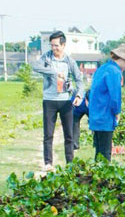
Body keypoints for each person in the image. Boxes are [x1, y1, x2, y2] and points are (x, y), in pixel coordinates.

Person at [31, 30, 85, 171]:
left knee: (69, 135)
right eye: (52, 45)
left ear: (63, 45)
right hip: (49, 100)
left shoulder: (69, 61)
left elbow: (80, 80)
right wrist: (53, 72)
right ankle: (48, 163)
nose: (54, 48)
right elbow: (35, 66)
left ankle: (70, 164)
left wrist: (79, 95)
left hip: (66, 101)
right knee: (48, 134)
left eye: (56, 45)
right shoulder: (47, 58)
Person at [87, 44, 125, 162]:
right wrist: (117, 112)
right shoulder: (115, 71)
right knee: (105, 153)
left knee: (99, 152)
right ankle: (103, 179)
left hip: (95, 115)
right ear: (122, 59)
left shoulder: (102, 68)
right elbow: (115, 96)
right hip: (106, 115)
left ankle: (96, 176)